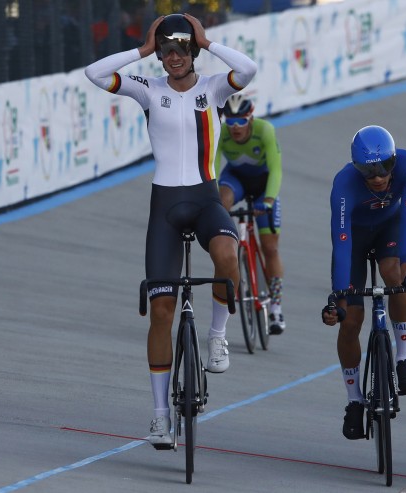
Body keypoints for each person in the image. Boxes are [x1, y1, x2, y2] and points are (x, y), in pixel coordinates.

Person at [85, 13, 257, 449]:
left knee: (227, 254)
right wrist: (142, 50)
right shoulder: (148, 89)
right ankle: (160, 415)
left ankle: (217, 337)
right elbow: (95, 73)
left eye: (181, 50)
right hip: (165, 206)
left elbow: (248, 70)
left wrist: (208, 39)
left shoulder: (213, 87)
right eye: (166, 51)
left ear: (193, 51)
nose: (173, 57)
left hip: (204, 199)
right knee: (161, 312)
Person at [321, 125, 406, 440]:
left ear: (394, 159)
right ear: (357, 169)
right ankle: (354, 401)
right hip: (353, 240)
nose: (379, 176)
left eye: (385, 167)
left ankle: (404, 359)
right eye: (369, 171)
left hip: (389, 230)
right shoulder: (344, 183)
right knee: (351, 320)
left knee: (394, 276)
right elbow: (341, 242)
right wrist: (339, 299)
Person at [215, 93, 286, 334]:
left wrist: (267, 201)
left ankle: (276, 306)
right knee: (219, 201)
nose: (235, 128)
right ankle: (230, 250)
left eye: (240, 122)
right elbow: (213, 168)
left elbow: (276, 170)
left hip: (264, 184)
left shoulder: (265, 130)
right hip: (235, 180)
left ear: (251, 119)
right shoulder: (222, 133)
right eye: (230, 122)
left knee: (271, 248)